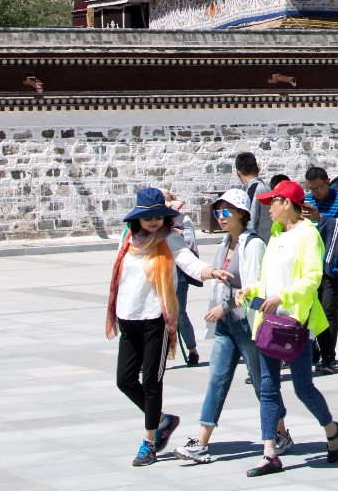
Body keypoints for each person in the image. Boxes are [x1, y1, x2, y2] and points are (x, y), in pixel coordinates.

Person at [105, 187, 227, 467]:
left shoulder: (170, 238)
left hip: (155, 320)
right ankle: (162, 420)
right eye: (149, 217)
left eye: (159, 216)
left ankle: (149, 444)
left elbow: (190, 264)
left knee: (151, 382)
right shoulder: (127, 238)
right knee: (124, 380)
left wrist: (212, 273)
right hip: (128, 317)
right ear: (137, 217)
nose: (154, 222)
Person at [176, 189, 291, 465]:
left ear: (241, 213)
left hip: (248, 326)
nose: (220, 217)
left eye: (226, 211)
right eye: (218, 212)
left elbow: (253, 291)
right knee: (216, 379)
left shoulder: (253, 245)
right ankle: (201, 443)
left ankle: (281, 434)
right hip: (227, 327)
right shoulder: (225, 243)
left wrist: (224, 307)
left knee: (262, 384)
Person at [241, 180, 338, 476]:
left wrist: (281, 297)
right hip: (269, 323)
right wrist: (251, 290)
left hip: (296, 324)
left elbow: (312, 278)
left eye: (271, 203)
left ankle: (330, 428)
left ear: (287, 203)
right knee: (268, 387)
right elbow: (268, 280)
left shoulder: (308, 235)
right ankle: (270, 452)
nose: (267, 209)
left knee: (302, 387)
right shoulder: (275, 236)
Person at [302, 167, 338, 373]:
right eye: (311, 188)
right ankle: (311, 348)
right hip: (309, 264)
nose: (315, 192)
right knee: (306, 312)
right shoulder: (306, 201)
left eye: (319, 187)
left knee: (328, 311)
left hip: (332, 264)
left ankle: (328, 358)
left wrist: (320, 218)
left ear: (328, 182)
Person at [168, 192, 203, 366]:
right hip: (161, 274)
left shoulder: (184, 220)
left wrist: (174, 233)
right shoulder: (153, 222)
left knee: (180, 314)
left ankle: (192, 350)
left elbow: (189, 244)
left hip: (179, 274)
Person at [235, 151, 273, 243]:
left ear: (238, 173)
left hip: (256, 246)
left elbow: (249, 222)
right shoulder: (267, 189)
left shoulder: (253, 190)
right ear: (258, 169)